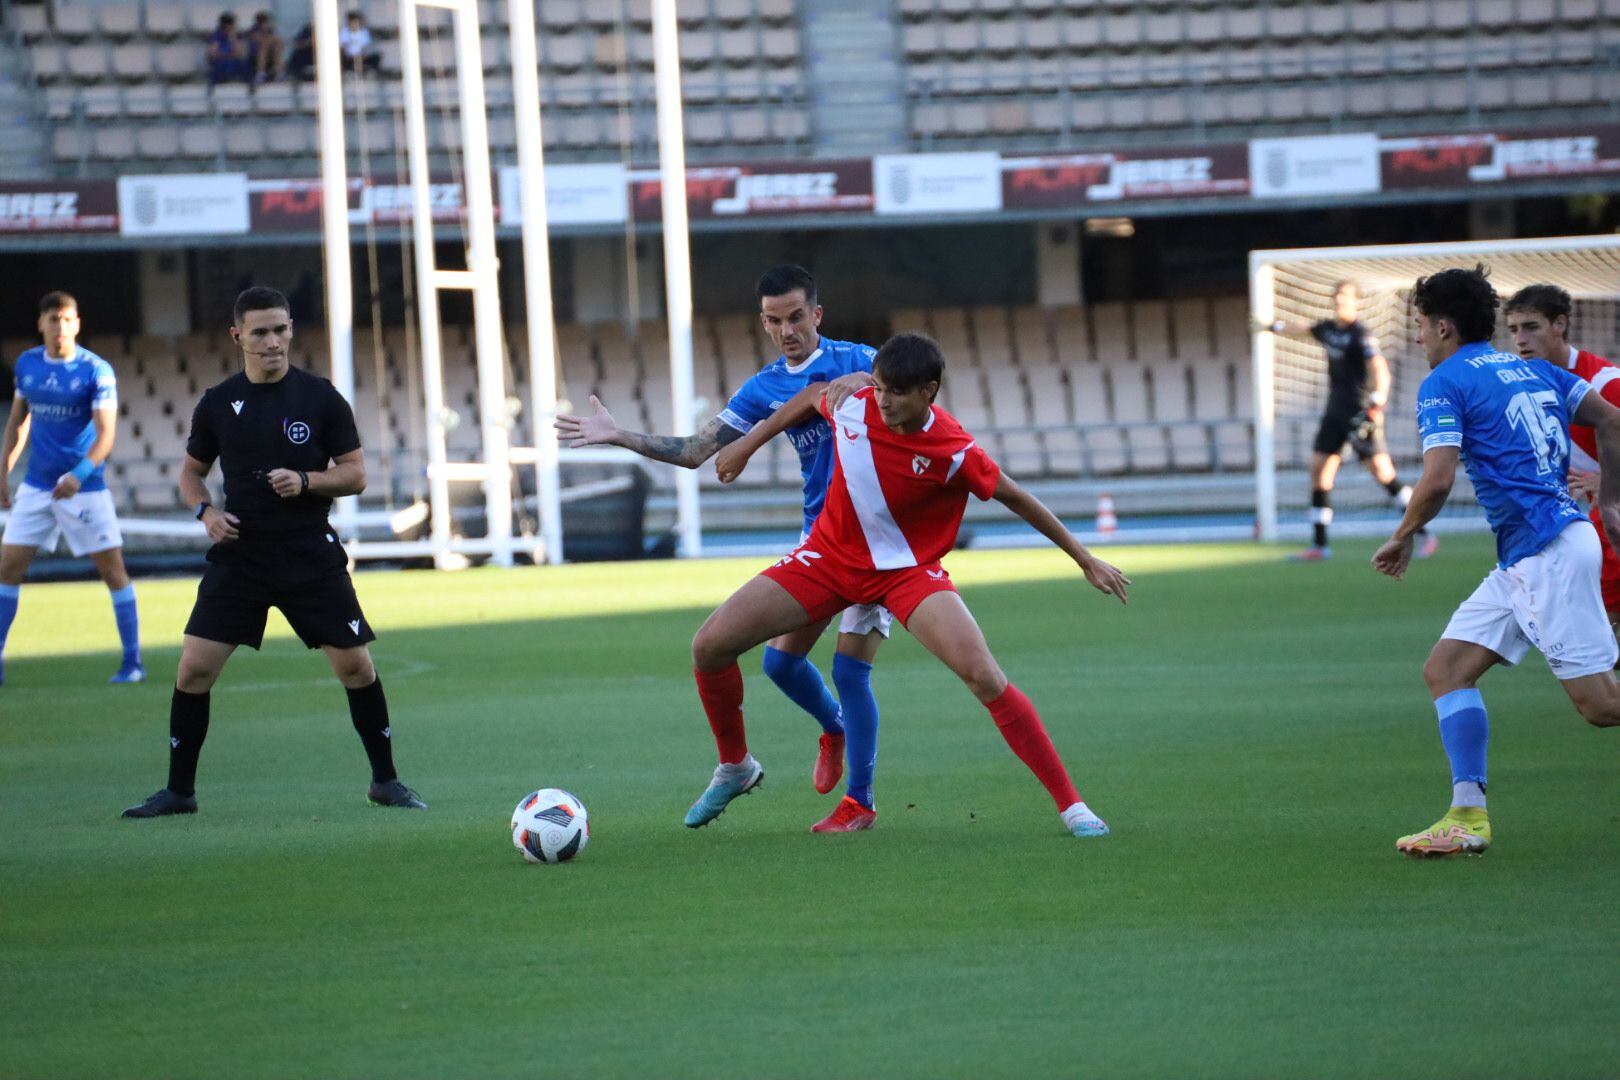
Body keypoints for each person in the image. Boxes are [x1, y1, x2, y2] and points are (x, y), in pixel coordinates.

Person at [698, 332, 1130, 837]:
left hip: (906, 572)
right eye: (878, 388)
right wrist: (748, 446)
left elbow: (1017, 497)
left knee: (983, 675)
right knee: (709, 645)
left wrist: (1084, 558)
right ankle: (737, 766)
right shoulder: (855, 404)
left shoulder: (953, 449)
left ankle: (1073, 807)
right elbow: (807, 398)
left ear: (930, 391)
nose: (882, 401)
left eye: (896, 393)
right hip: (828, 560)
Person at [556, 266, 885, 818]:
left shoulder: (859, 360)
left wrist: (872, 383)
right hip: (819, 540)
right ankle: (832, 730)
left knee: (851, 670)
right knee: (779, 667)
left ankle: (861, 801)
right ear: (763, 323)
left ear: (817, 315)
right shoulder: (763, 388)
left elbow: (915, 385)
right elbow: (693, 451)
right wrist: (619, 436)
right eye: (775, 320)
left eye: (797, 317)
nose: (788, 330)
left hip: (878, 538)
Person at [121, 286, 425, 818]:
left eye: (281, 329)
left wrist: (306, 480)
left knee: (356, 667)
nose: (273, 341)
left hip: (309, 553)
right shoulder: (217, 403)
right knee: (193, 669)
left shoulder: (320, 397)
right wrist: (207, 514)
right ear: (237, 336)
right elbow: (191, 476)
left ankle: (386, 781)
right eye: (260, 332)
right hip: (242, 557)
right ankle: (179, 792)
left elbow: (355, 474)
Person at [1372, 266, 1620, 858]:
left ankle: (1468, 815)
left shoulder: (1445, 382)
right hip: (1531, 554)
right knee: (1447, 670)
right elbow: (1611, 417)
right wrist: (1610, 499)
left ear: (1443, 326)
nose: (1418, 339)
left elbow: (1435, 480)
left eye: (1420, 326)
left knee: (1601, 707)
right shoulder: (1535, 369)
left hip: (1548, 552)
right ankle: (1467, 817)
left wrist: (1403, 535)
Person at [0, 292, 143, 687]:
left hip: (85, 489)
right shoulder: (27, 365)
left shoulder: (96, 371)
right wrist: (4, 468)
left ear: (77, 324)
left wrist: (79, 474)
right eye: (52, 319)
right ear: (41, 324)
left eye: (66, 319)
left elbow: (106, 434)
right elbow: (18, 421)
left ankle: (132, 662)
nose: (59, 326)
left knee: (112, 571)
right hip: (37, 487)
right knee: (7, 567)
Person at [1263, 280, 1435, 561]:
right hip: (1334, 413)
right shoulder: (1328, 329)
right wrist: (1274, 327)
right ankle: (1320, 545)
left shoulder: (1361, 335)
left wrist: (1377, 402)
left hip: (1358, 414)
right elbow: (1303, 330)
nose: (1339, 302)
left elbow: (1380, 369)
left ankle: (1426, 533)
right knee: (1319, 470)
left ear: (1356, 302)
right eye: (1337, 297)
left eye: (1345, 297)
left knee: (1383, 474)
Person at [1505, 283, 1620, 643]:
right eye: (1513, 330)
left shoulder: (1605, 384)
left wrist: (1609, 484)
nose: (1521, 339)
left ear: (1560, 324)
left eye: (1531, 327)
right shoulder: (1527, 388)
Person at [206, 12, 251, 86]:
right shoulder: (215, 36)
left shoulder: (237, 36)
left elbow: (241, 53)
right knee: (217, 66)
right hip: (221, 62)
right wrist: (229, 55)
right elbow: (213, 54)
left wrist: (232, 39)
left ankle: (250, 84)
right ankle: (212, 85)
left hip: (233, 61)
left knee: (244, 64)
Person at [338, 10, 381, 76]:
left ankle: (369, 72)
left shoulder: (364, 32)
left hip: (362, 56)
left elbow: (367, 46)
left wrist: (362, 53)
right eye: (352, 22)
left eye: (356, 22)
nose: (354, 24)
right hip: (349, 58)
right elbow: (342, 46)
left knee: (376, 57)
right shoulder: (344, 32)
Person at [247, 11, 285, 83]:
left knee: (277, 48)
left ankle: (280, 74)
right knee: (263, 49)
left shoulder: (270, 30)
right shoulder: (253, 30)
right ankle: (261, 74)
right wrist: (269, 39)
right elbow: (260, 41)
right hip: (257, 55)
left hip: (270, 55)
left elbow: (278, 41)